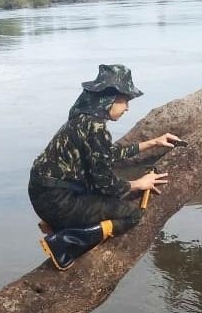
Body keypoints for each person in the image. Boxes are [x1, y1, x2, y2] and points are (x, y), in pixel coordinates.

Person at [29, 64, 181, 270]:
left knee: (104, 197)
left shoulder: (82, 120)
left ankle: (60, 224)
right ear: (110, 99)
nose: (127, 107)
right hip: (57, 200)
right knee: (132, 214)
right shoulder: (95, 128)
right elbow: (107, 184)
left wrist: (154, 142)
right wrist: (140, 183)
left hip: (44, 193)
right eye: (125, 101)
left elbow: (107, 154)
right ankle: (66, 242)